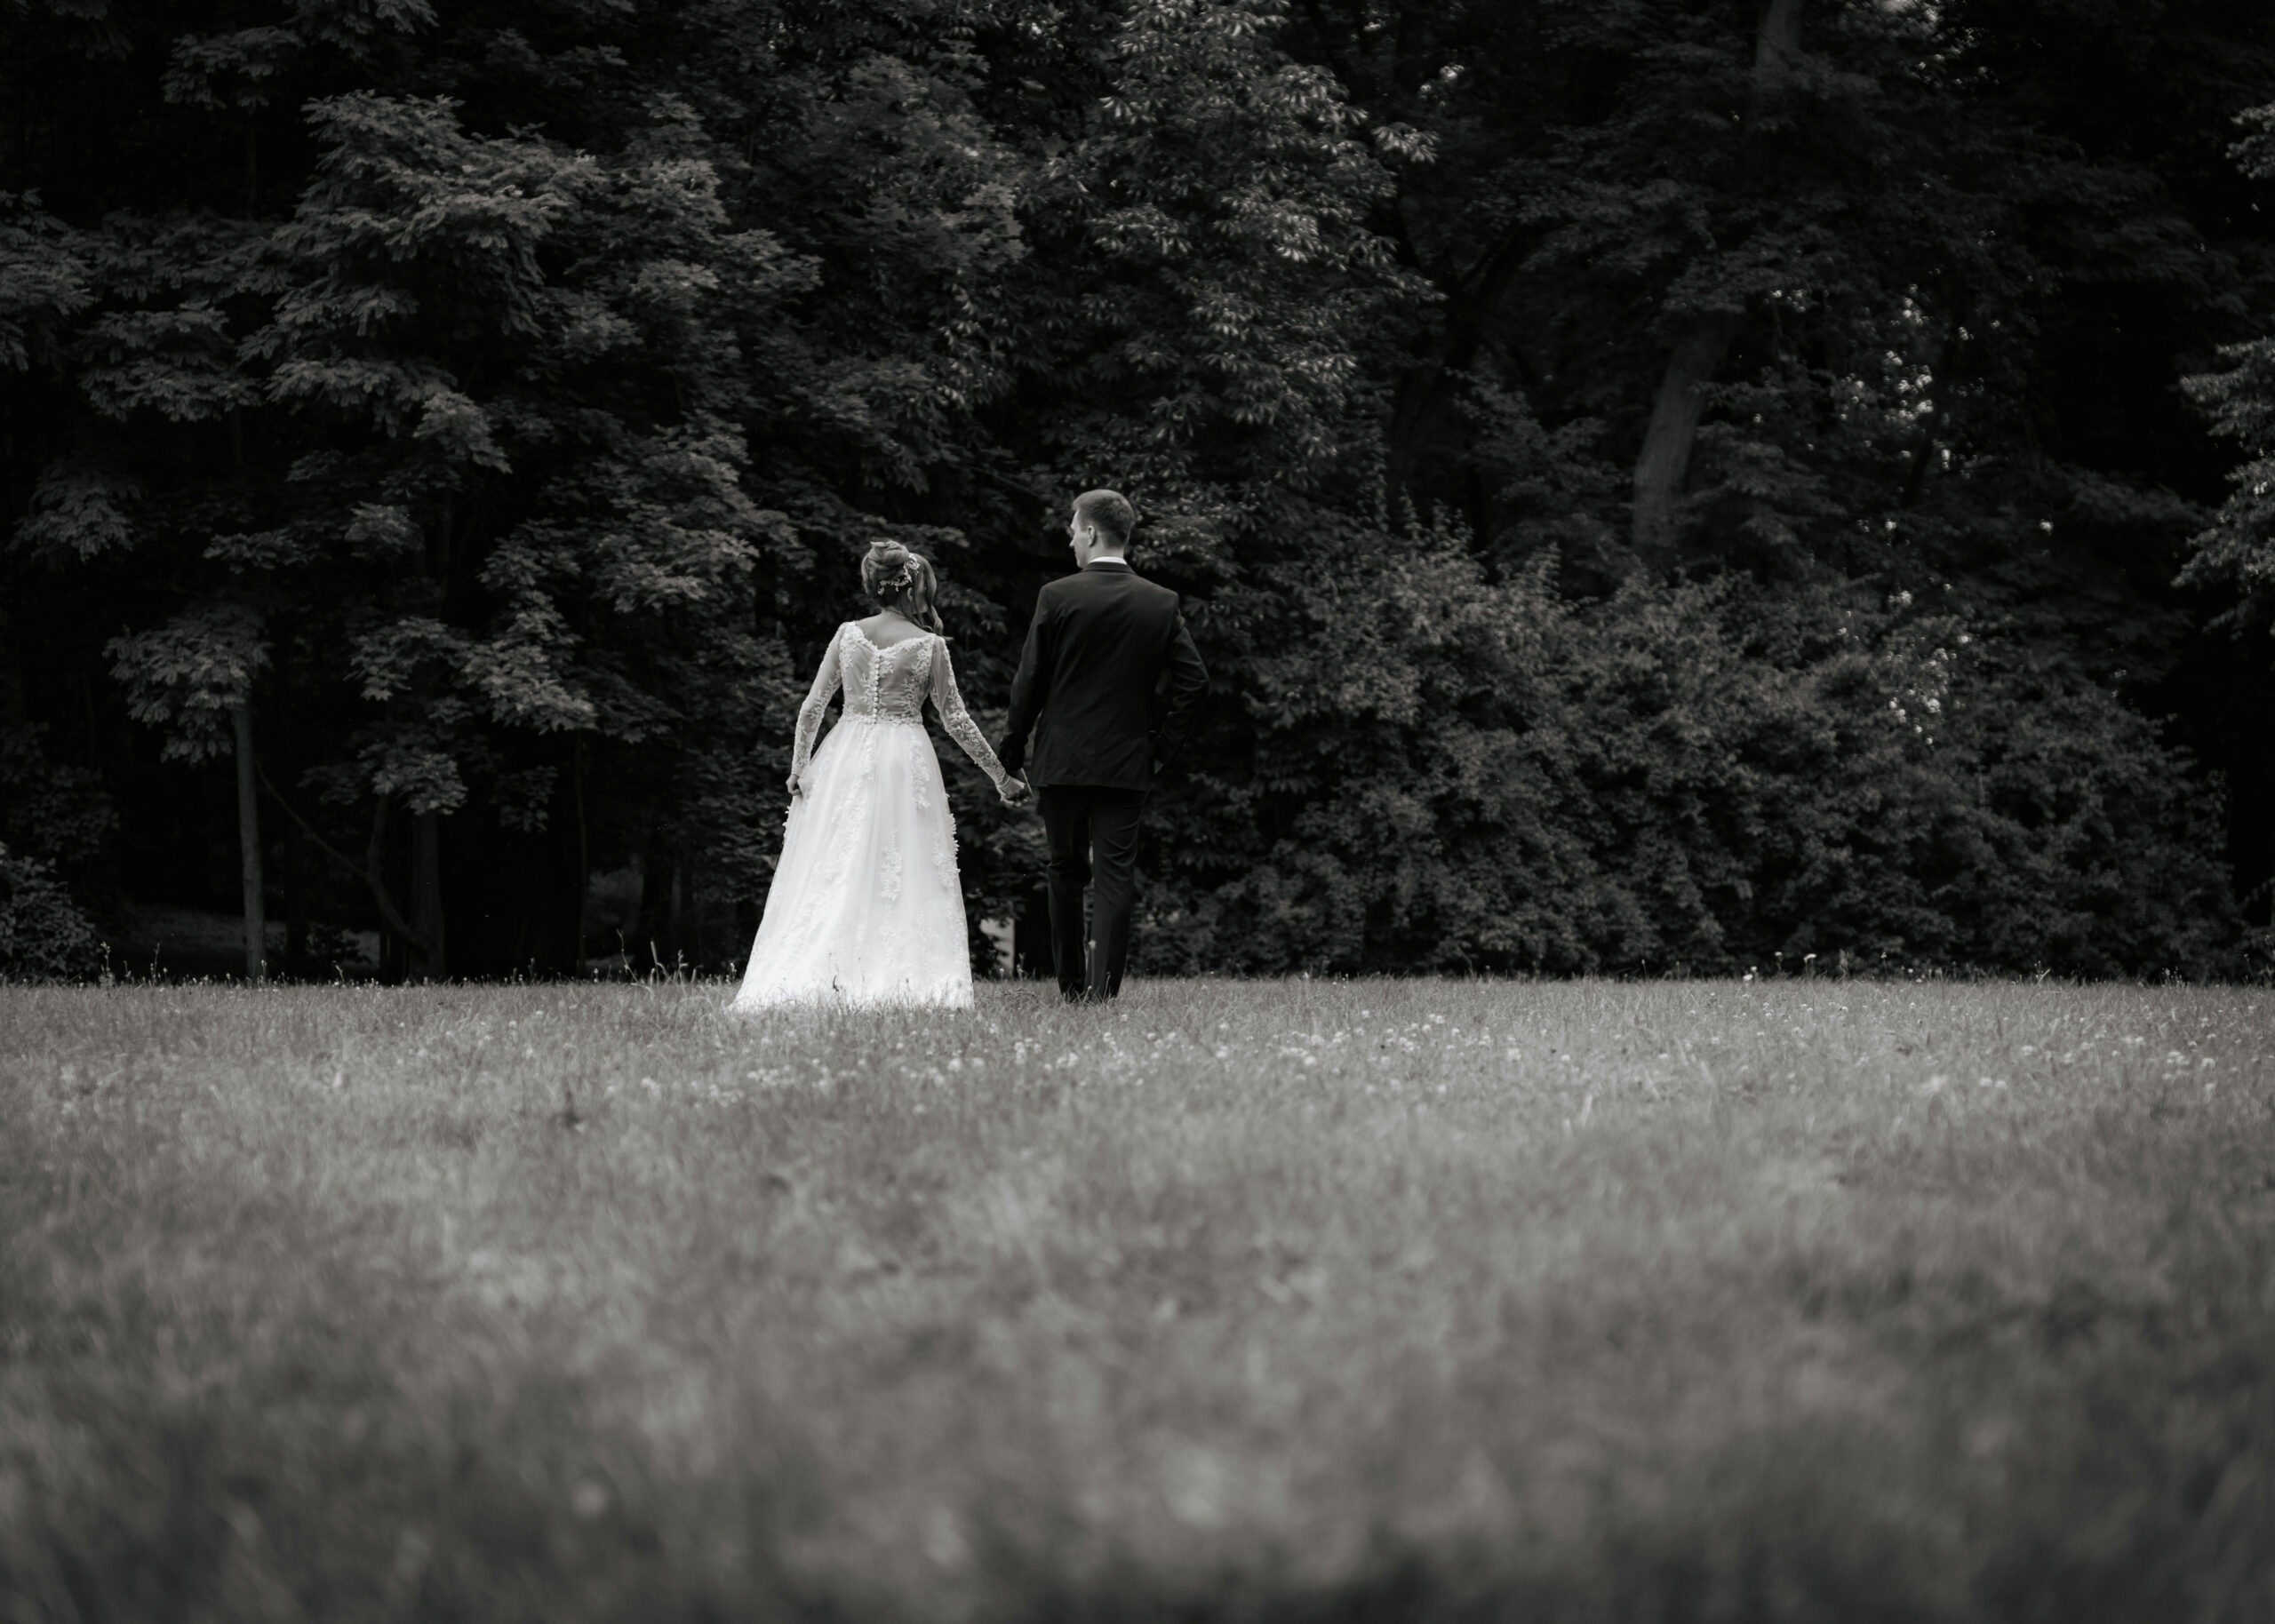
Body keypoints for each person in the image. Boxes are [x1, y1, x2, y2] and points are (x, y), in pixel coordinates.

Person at [732, 541, 1027, 1009]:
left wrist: (799, 767)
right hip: (903, 758)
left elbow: (812, 707)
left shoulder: (848, 634)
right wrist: (1001, 777)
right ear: (914, 589)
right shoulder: (930, 646)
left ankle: (826, 971)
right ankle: (899, 977)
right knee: (902, 864)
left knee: (838, 863)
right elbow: (955, 720)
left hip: (844, 755)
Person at [997, 490, 1208, 1002]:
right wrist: (1159, 749)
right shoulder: (1160, 602)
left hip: (1062, 760)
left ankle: (1071, 989)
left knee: (1065, 870)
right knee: (1115, 876)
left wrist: (1011, 753)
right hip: (1127, 762)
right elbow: (1194, 683)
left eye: (1073, 530)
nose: (1070, 539)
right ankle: (1102, 993)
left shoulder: (1057, 596)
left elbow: (1029, 682)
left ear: (1091, 533)